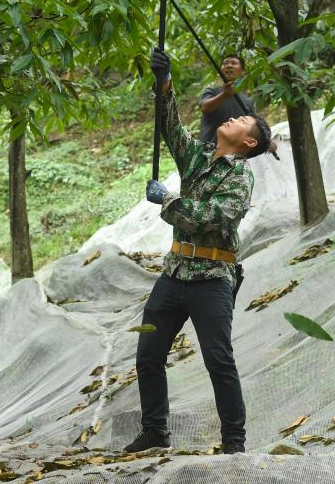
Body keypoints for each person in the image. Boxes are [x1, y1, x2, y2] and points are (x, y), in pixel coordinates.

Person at [123, 47, 273, 456]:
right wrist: (164, 83)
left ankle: (234, 443)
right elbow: (170, 128)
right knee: (148, 355)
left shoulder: (241, 178)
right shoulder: (199, 158)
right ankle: (155, 431)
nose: (232, 116)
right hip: (174, 275)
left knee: (219, 362)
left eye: (241, 119)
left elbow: (213, 218)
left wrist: (168, 202)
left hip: (211, 280)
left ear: (248, 140)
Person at [198, 53, 255, 145]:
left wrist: (267, 141)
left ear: (242, 71)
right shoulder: (212, 91)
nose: (229, 66)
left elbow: (253, 126)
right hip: (209, 151)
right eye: (225, 63)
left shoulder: (247, 101)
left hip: (235, 153)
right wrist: (224, 95)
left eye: (233, 63)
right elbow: (205, 108)